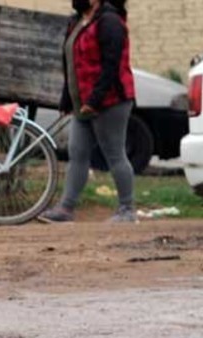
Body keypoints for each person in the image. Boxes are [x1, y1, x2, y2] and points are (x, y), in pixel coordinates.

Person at [40, 0, 136, 224]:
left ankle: (127, 209)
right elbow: (71, 64)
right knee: (77, 154)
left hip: (111, 101)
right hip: (82, 102)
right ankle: (66, 209)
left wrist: (95, 100)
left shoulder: (110, 22)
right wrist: (67, 100)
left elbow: (111, 67)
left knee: (114, 154)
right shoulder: (76, 22)